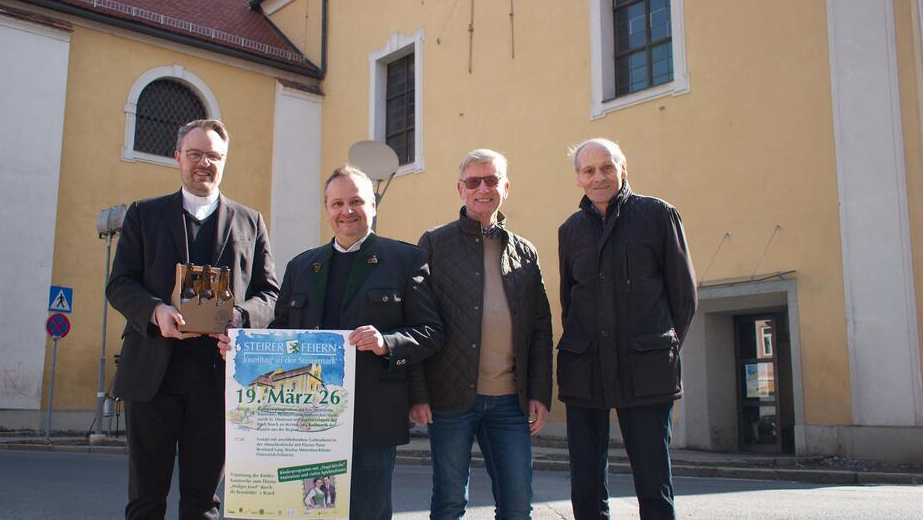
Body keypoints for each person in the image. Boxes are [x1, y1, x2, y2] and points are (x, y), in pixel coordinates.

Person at [107, 119, 279, 520]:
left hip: (217, 378)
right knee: (146, 499)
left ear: (224, 162)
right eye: (196, 154)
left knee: (204, 503)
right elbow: (119, 284)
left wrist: (239, 317)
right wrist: (155, 310)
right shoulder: (143, 215)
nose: (205, 163)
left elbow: (270, 295)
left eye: (214, 156)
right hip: (153, 374)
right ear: (178, 158)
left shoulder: (250, 221)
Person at [269, 165, 443, 520]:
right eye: (337, 203)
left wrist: (386, 343)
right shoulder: (301, 266)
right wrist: (240, 348)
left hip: (373, 413)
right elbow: (279, 335)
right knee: (312, 510)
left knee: (369, 511)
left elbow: (431, 332)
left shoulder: (405, 259)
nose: (346, 211)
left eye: (356, 201)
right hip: (309, 418)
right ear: (326, 208)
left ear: (373, 206)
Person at [408, 149, 553, 519]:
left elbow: (539, 328)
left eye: (491, 180)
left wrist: (539, 392)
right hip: (450, 399)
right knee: (450, 502)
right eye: (474, 181)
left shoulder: (525, 252)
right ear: (460, 189)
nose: (483, 188)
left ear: (505, 187)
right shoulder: (434, 244)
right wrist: (419, 393)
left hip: (510, 401)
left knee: (518, 505)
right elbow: (416, 321)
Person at [557, 138, 696, 520]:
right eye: (589, 170)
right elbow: (571, 302)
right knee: (585, 484)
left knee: (653, 483)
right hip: (586, 369)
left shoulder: (657, 214)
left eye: (607, 167)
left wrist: (659, 345)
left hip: (646, 368)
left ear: (623, 169)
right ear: (579, 179)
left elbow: (683, 297)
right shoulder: (570, 231)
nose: (599, 176)